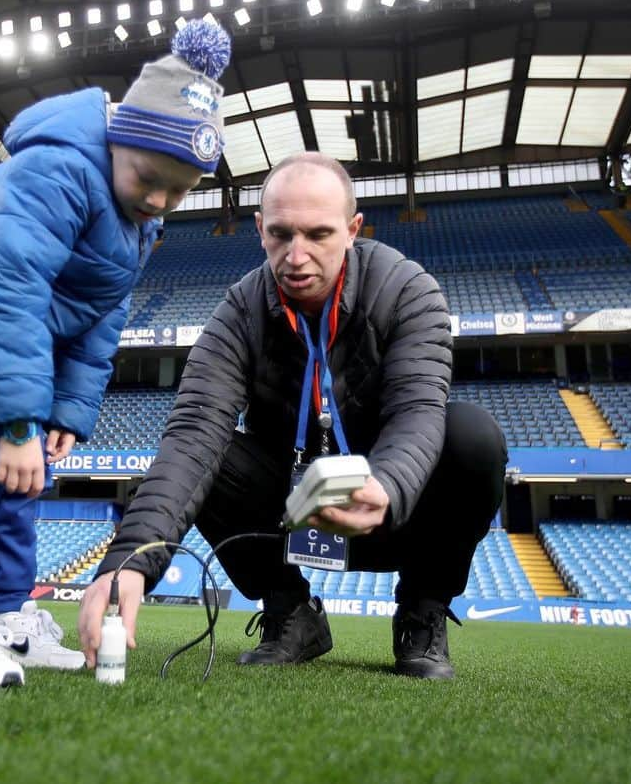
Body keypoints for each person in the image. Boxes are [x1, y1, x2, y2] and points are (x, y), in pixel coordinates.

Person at [0, 19, 232, 690]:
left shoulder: (141, 218)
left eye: (180, 190)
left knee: (29, 469)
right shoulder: (61, 166)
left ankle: (11, 617)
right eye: (148, 178)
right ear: (120, 138)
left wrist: (64, 414)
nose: (160, 199)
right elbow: (8, 283)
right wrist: (16, 422)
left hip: (23, 321)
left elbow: (102, 317)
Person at [79, 152, 507, 680]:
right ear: (260, 229)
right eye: (280, 234)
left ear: (353, 229)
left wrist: (387, 487)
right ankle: (291, 612)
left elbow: (417, 413)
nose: (295, 255)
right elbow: (192, 435)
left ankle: (423, 608)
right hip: (290, 511)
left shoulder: (408, 290)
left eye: (318, 234)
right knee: (209, 459)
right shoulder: (239, 312)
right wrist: (132, 558)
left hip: (393, 510)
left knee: (472, 438)